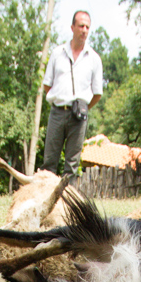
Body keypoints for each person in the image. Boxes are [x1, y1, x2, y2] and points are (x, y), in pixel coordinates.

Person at [42, 11, 103, 179]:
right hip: (57, 112)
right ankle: (45, 194)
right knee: (49, 163)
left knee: (72, 166)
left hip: (78, 117)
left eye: (87, 27)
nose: (84, 30)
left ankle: (67, 196)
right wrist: (59, 99)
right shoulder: (57, 53)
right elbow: (47, 84)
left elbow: (97, 93)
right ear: (72, 27)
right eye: (81, 26)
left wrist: (83, 107)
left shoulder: (94, 59)